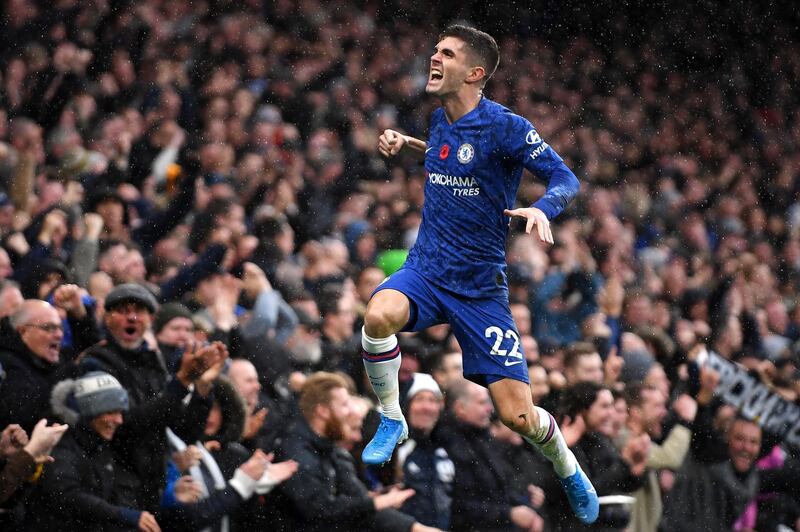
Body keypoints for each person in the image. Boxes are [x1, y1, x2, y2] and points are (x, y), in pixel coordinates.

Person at [360, 24, 597, 523]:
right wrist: (408, 144)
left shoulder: (506, 126)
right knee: (378, 315)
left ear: (474, 72)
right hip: (426, 268)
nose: (433, 56)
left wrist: (544, 209)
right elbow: (451, 157)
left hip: (479, 290)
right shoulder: (440, 120)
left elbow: (564, 177)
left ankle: (568, 466)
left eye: (445, 52)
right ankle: (391, 416)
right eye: (434, 48)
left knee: (519, 417)